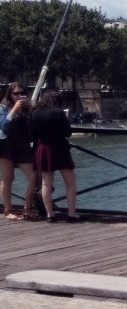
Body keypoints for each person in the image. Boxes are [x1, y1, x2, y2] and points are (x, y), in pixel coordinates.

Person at [31, 90, 78, 222]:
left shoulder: (35, 113)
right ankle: (71, 213)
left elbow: (32, 133)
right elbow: (67, 132)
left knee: (46, 183)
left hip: (43, 149)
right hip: (60, 149)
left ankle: (50, 214)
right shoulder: (58, 113)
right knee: (70, 183)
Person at [0, 83, 38, 220]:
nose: (19, 96)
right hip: (6, 147)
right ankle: (8, 210)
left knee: (34, 178)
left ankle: (27, 209)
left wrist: (31, 109)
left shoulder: (27, 109)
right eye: (16, 93)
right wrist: (13, 111)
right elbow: (3, 128)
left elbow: (35, 126)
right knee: (8, 177)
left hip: (23, 147)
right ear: (9, 95)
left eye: (22, 93)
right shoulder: (3, 109)